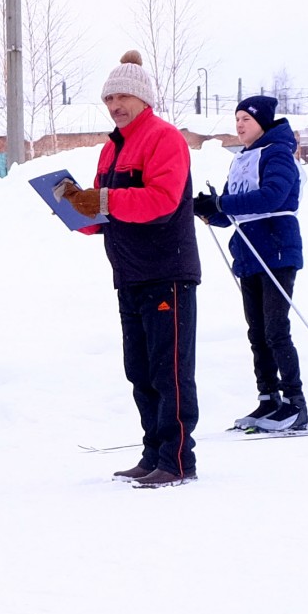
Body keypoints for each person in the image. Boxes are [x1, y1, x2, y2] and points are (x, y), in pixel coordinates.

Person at [57, 50, 202, 488]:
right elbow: (108, 214)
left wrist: (99, 202)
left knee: (169, 369)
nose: (115, 106)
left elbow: (161, 201)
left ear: (142, 99)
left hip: (166, 271)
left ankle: (178, 460)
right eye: (108, 99)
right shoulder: (110, 150)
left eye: (122, 97)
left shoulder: (164, 139)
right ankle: (153, 452)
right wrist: (73, 209)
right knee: (140, 371)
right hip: (130, 274)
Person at [194, 96, 307, 432]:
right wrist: (207, 210)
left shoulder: (278, 153)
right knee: (257, 332)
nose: (239, 124)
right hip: (248, 252)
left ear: (263, 122)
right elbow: (230, 213)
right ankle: (268, 398)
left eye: (246, 118)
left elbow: (272, 196)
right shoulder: (242, 159)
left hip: (275, 247)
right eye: (237, 118)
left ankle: (295, 403)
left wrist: (222, 202)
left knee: (276, 330)